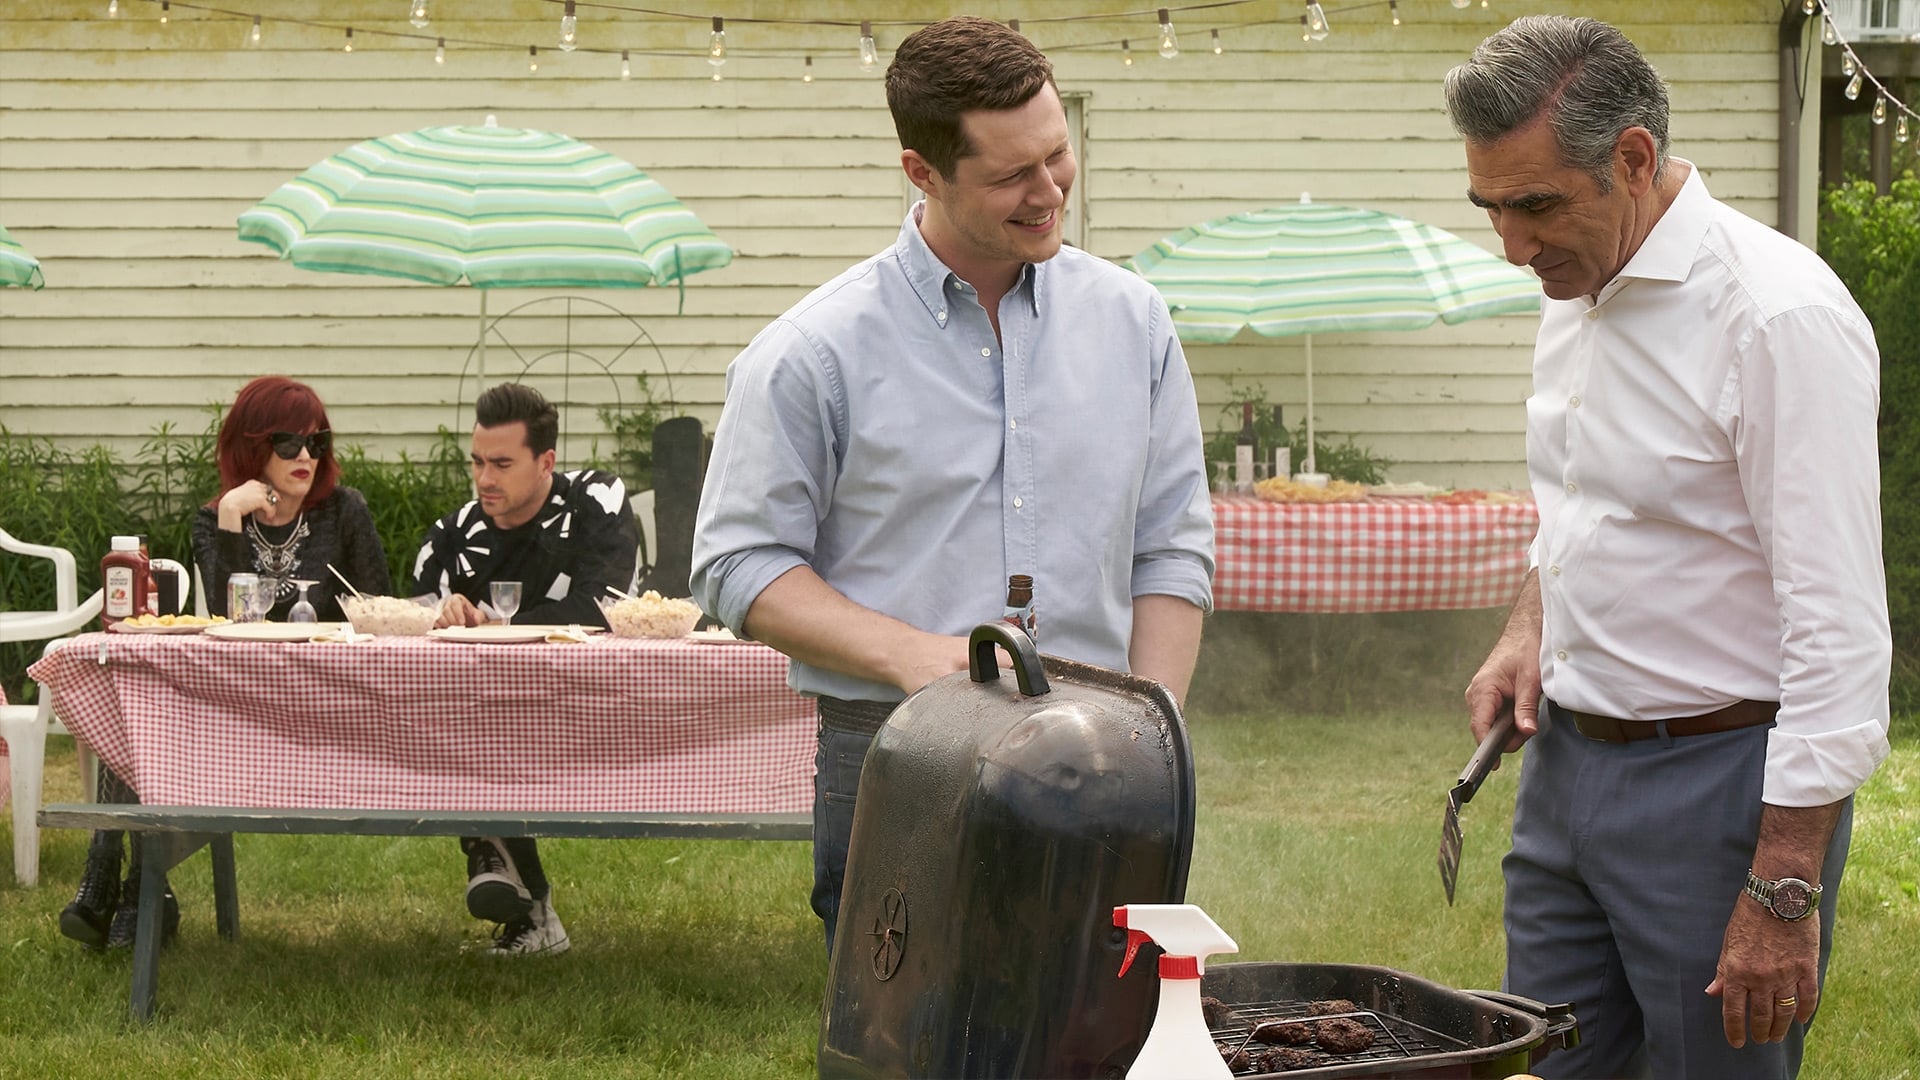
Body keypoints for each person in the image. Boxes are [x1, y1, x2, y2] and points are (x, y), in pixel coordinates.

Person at [691, 15, 1214, 954]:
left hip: (1107, 749)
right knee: (906, 1023)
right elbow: (736, 563)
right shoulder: (812, 353)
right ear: (922, 172)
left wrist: (1153, 737)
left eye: (1058, 155)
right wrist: (914, 656)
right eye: (1012, 175)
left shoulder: (1134, 323)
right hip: (899, 748)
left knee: (1101, 1018)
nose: (1048, 191)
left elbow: (1171, 547)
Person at [1444, 16, 1891, 1079]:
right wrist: (1530, 624)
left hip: (1721, 790)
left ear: (1634, 159)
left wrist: (1783, 883)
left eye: (1535, 204)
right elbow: (1586, 504)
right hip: (1563, 772)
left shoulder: (1776, 317)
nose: (1512, 245)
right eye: (1489, 207)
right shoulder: (1577, 283)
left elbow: (1838, 627)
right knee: (1551, 1065)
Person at [60, 375, 391, 952]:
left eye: (317, 442)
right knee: (137, 703)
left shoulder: (345, 511)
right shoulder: (215, 517)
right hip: (238, 702)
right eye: (289, 442)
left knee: (143, 713)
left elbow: (379, 610)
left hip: (326, 701)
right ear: (253, 445)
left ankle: (124, 887)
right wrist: (233, 518)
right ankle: (122, 878)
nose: (306, 456)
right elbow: (229, 616)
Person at [410, 382, 639, 957]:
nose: (484, 478)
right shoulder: (454, 536)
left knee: (480, 724)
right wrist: (443, 616)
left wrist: (492, 626)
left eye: (502, 464)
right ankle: (504, 873)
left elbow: (603, 606)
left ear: (546, 462)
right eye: (477, 462)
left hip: (605, 704)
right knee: (466, 717)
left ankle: (496, 861)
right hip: (491, 717)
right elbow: (416, 633)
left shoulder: (595, 501)